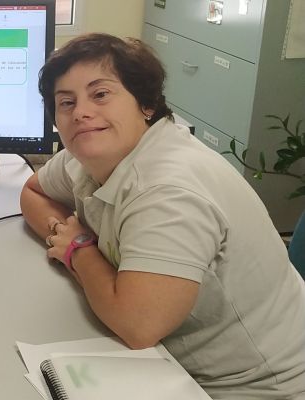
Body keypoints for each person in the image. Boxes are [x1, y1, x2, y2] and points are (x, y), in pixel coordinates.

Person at [19, 33, 305, 399]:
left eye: (101, 94)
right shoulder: (93, 152)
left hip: (251, 386)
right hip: (169, 359)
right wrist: (62, 230)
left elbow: (138, 325)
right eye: (66, 102)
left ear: (147, 104)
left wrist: (78, 248)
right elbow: (33, 192)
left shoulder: (170, 190)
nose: (82, 112)